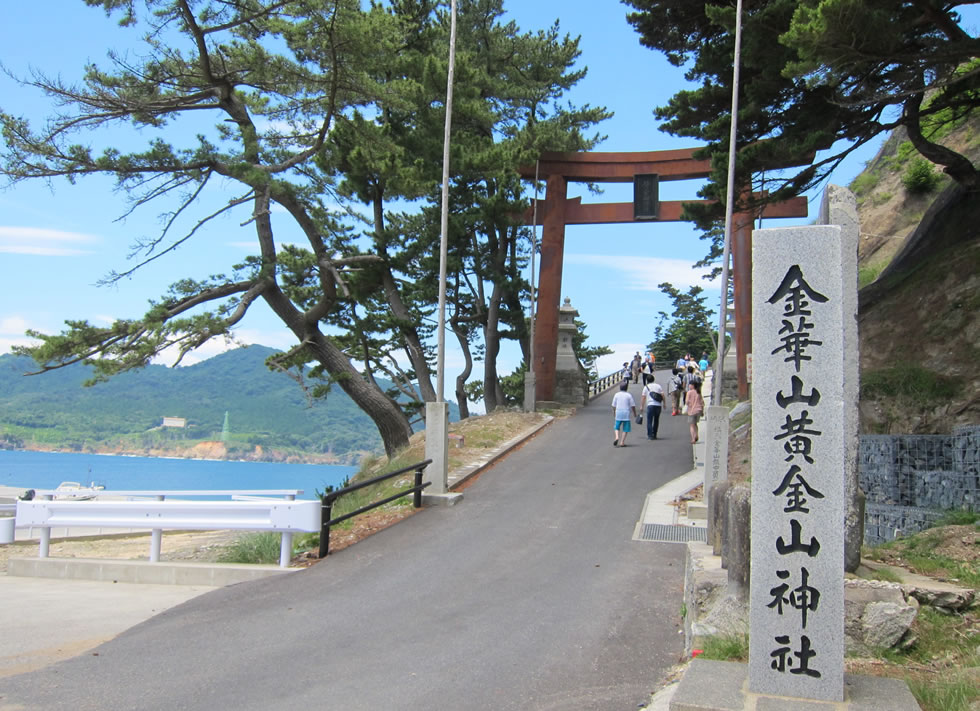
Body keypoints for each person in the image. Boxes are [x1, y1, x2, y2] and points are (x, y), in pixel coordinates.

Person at [611, 380, 637, 447]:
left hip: (618, 412)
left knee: (616, 427)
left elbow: (613, 405)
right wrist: (634, 413)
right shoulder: (628, 395)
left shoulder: (616, 395)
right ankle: (622, 442)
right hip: (626, 413)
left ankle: (616, 437)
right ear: (626, 388)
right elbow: (633, 405)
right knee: (626, 428)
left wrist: (614, 412)